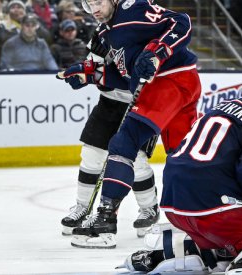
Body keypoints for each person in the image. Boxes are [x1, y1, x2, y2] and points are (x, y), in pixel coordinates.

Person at [57, 0, 201, 248]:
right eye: (88, 5)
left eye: (99, 3)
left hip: (170, 81)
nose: (95, 10)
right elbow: (126, 76)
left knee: (123, 142)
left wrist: (158, 51)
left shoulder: (131, 9)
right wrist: (90, 74)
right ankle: (200, 215)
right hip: (172, 85)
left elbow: (182, 22)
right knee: (182, 155)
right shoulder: (106, 31)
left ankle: (105, 220)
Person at [118, 80, 242, 275]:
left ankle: (166, 255)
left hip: (173, 204)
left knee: (218, 253)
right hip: (213, 209)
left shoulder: (223, 106)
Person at [59, 30, 159, 238]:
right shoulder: (103, 33)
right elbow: (92, 65)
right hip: (109, 102)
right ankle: (82, 208)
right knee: (91, 154)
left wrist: (94, 75)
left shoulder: (150, 31)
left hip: (143, 104)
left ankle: (149, 209)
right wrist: (82, 76)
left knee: (137, 160)